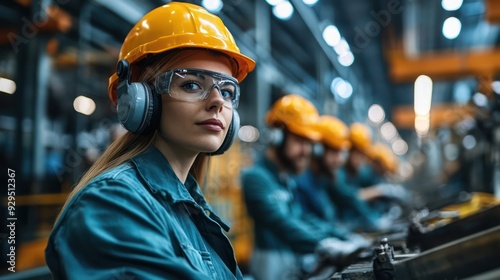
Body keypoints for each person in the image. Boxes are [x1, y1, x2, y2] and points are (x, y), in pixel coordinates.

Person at [45, 3, 255, 279]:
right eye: (191, 84)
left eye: (227, 91)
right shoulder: (112, 204)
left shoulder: (189, 203)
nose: (218, 102)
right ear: (141, 101)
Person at [241, 95, 361, 280]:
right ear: (277, 136)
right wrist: (324, 244)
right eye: (299, 141)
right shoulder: (255, 177)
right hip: (269, 271)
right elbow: (283, 224)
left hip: (291, 267)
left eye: (309, 143)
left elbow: (302, 218)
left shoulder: (286, 178)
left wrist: (343, 237)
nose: (306, 151)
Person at [295, 115, 372, 246]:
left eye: (341, 153)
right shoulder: (301, 181)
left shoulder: (323, 180)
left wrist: (343, 235)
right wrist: (339, 237)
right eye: (334, 152)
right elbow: (305, 221)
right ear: (317, 150)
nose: (339, 160)